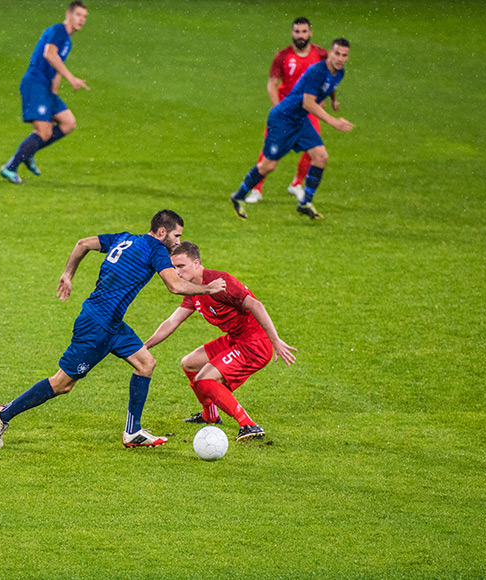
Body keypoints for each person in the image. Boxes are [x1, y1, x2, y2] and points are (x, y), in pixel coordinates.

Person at [0, 210, 227, 449]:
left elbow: (83, 244)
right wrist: (208, 288)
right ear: (162, 231)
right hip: (96, 326)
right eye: (176, 235)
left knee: (146, 364)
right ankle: (4, 414)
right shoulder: (156, 249)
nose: (177, 242)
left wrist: (68, 274)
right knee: (63, 384)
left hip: (111, 324)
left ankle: (133, 432)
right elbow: (174, 286)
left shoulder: (124, 238)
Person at [143, 241, 297, 442]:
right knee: (189, 363)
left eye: (181, 266)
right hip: (236, 339)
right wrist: (143, 347)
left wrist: (275, 340)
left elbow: (256, 305)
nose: (176, 272)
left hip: (254, 345)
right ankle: (210, 415)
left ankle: (249, 425)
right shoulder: (197, 289)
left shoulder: (220, 282)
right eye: (173, 267)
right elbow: (172, 321)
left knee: (204, 380)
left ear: (197, 264)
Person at [230, 38, 354, 221]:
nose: (340, 58)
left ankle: (305, 202)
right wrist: (333, 121)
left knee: (321, 157)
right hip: (283, 119)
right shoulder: (317, 71)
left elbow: (331, 85)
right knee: (268, 165)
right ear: (330, 52)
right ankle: (238, 196)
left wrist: (333, 99)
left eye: (344, 55)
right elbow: (308, 102)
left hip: (300, 121)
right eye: (337, 53)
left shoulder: (339, 72)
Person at [0, 1, 89, 185]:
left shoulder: (68, 41)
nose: (82, 20)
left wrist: (53, 92)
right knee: (44, 132)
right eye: (79, 15)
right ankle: (10, 167)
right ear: (68, 14)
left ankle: (28, 153)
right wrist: (71, 78)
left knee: (68, 123)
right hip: (35, 83)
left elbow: (55, 66)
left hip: (45, 87)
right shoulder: (58, 31)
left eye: (84, 17)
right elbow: (49, 55)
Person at [246, 18, 330, 205]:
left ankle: (296, 184)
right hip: (285, 110)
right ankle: (257, 189)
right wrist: (279, 107)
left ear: (310, 33)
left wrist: (324, 99)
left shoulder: (320, 55)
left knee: (314, 149)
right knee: (269, 150)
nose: (300, 35)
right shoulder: (283, 56)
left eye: (304, 32)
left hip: (308, 110)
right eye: (297, 32)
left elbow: (327, 79)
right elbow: (272, 84)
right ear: (292, 34)